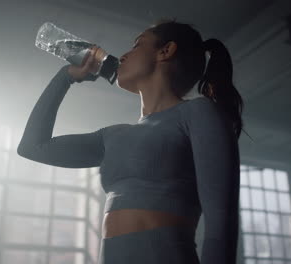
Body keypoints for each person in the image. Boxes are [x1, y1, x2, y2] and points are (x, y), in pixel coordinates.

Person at [18, 17, 246, 264]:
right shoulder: (113, 135)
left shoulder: (199, 112)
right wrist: (66, 76)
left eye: (137, 45)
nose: (123, 55)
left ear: (166, 51)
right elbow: (32, 147)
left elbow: (221, 222)